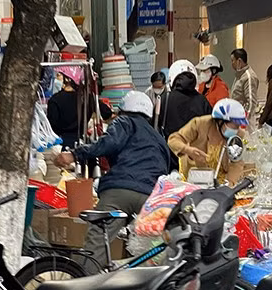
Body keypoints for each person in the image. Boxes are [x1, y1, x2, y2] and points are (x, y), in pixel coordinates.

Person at [54, 91, 171, 266]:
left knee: (98, 242)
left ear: (123, 110)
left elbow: (108, 143)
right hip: (150, 198)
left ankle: (81, 285)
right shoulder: (159, 139)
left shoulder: (125, 122)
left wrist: (74, 155)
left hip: (119, 191)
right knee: (150, 249)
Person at [168, 98, 247, 184]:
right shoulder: (199, 124)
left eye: (238, 126)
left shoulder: (238, 136)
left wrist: (229, 185)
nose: (237, 129)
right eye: (234, 125)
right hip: (193, 179)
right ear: (221, 121)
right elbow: (173, 140)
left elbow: (237, 163)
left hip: (220, 181)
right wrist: (188, 150)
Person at [47, 66, 112, 150]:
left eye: (59, 75)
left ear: (67, 79)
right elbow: (107, 113)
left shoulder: (55, 99)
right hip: (81, 143)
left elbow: (51, 124)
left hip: (60, 145)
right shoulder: (87, 97)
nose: (56, 78)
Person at [160, 59, 211, 138]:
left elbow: (155, 126)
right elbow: (211, 127)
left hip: (170, 147)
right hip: (196, 148)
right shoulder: (202, 101)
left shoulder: (165, 99)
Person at [230, 48, 259, 124]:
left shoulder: (249, 77)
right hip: (236, 118)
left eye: (232, 61)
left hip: (244, 122)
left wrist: (244, 121)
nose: (232, 64)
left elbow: (251, 102)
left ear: (239, 61)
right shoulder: (239, 76)